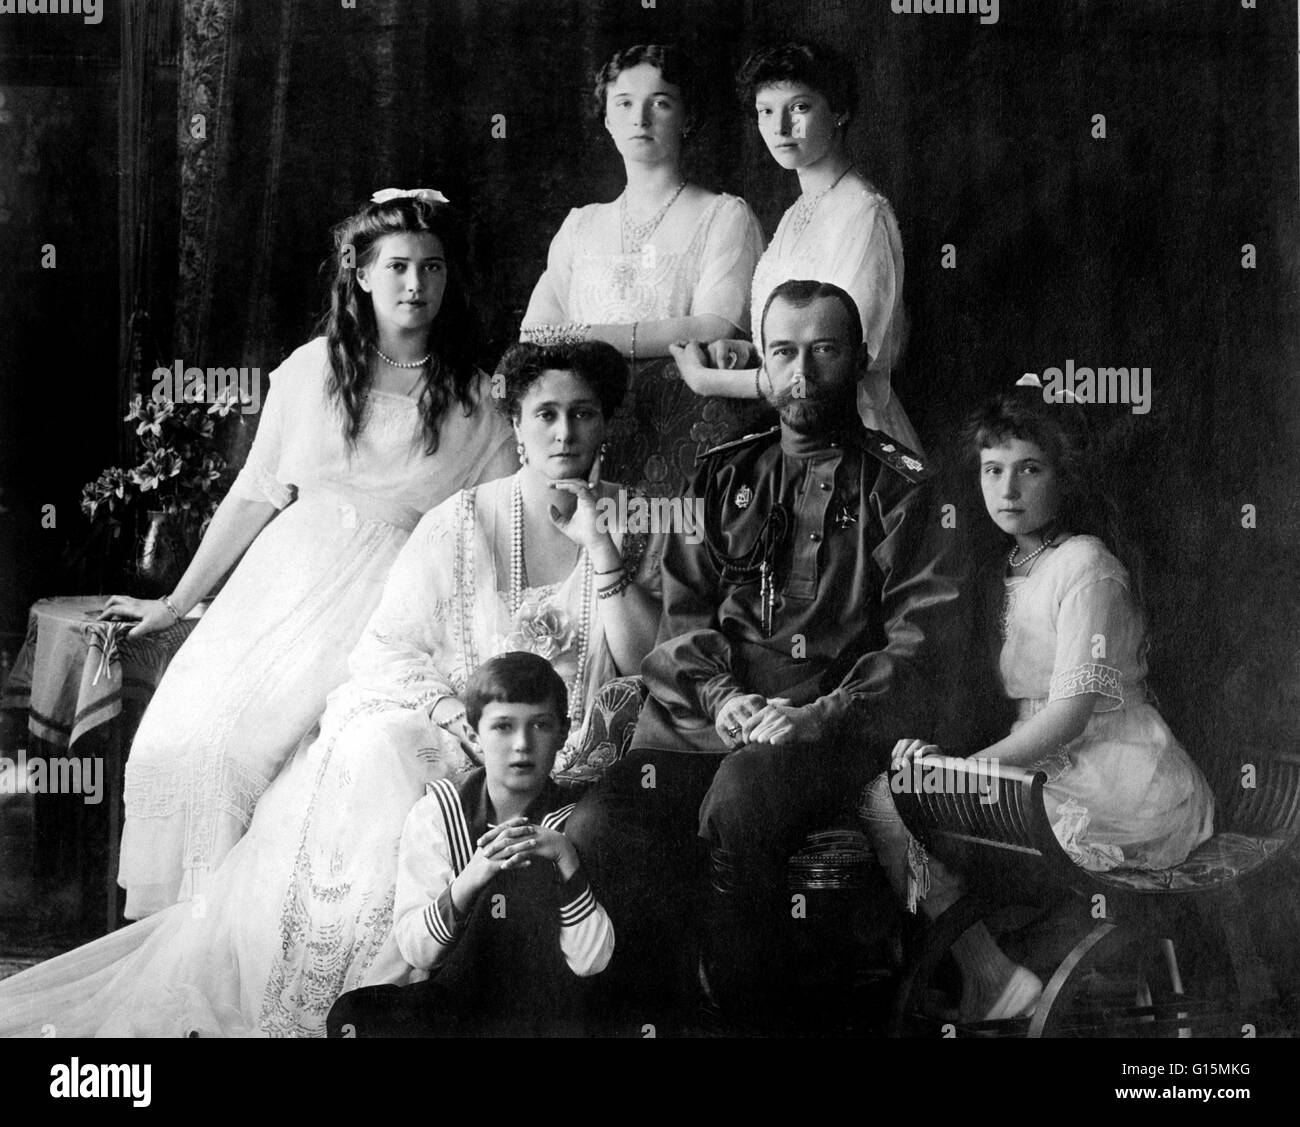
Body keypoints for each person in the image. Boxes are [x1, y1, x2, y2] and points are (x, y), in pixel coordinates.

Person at [0, 340, 661, 1038]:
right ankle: (365, 1001)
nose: (564, 433)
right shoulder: (460, 521)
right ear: (516, 423)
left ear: (605, 424)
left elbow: (642, 656)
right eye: (546, 414)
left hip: (581, 739)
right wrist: (445, 710)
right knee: (378, 753)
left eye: (583, 414)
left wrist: (602, 547)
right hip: (457, 720)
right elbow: (387, 645)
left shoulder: (635, 517)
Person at [102, 189, 517, 918]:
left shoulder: (476, 401)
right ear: (360, 273)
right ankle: (184, 930)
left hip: (386, 600)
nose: (415, 285)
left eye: (432, 268)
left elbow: (497, 529)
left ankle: (244, 941)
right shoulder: (311, 370)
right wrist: (174, 603)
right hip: (281, 582)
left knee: (262, 760)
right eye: (397, 267)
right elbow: (254, 494)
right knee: (179, 742)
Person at [565, 279, 964, 1034]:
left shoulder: (903, 489)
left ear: (860, 358)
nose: (803, 375)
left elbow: (922, 646)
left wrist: (819, 714)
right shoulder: (721, 475)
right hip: (698, 724)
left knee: (741, 799)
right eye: (784, 352)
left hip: (829, 733)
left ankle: (754, 1022)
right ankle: (659, 1018)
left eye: (824, 352)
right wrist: (724, 698)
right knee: (599, 826)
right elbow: (680, 624)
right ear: (764, 361)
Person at [859, 392, 1216, 1022]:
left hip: (1114, 770)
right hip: (1039, 760)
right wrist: (933, 757)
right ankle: (990, 975)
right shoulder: (1004, 567)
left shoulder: (1086, 563)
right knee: (889, 803)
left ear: (1064, 475)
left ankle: (1000, 980)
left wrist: (962, 769)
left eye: (1031, 468)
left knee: (904, 802)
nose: (1008, 488)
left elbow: (1070, 714)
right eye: (992, 469)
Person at [521, 42, 768, 495]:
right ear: (608, 120)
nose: (641, 118)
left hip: (681, 439)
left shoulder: (724, 216)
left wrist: (587, 335)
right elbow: (535, 333)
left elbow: (715, 326)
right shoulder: (580, 225)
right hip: (581, 438)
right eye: (624, 104)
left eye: (661, 102)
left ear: (688, 117)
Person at [325, 652, 614, 1037]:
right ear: (475, 736)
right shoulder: (439, 813)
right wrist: (473, 875)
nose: (522, 744)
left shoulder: (578, 818)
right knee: (354, 1016)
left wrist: (566, 858)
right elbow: (418, 951)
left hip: (548, 1008)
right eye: (504, 727)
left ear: (562, 733)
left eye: (540, 726)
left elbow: (592, 962)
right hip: (459, 1006)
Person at [671, 40, 922, 451]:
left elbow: (828, 369)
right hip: (791, 429)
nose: (780, 128)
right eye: (766, 112)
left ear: (839, 111)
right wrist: (748, 349)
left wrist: (707, 380)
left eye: (799, 108)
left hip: (846, 436)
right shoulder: (796, 213)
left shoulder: (862, 214)